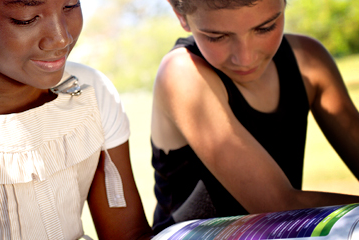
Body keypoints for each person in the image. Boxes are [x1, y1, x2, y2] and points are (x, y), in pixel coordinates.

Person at [0, 0, 154, 239]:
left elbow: (128, 233)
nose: (61, 38)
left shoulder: (89, 91)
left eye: (70, 6)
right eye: (26, 19)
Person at [150, 0, 359, 233]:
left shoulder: (308, 61)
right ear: (180, 13)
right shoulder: (181, 73)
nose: (245, 57)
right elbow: (277, 205)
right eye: (217, 37)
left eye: (265, 28)